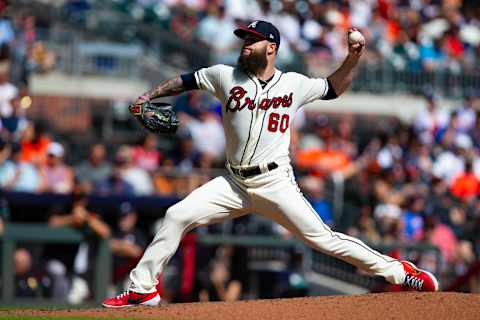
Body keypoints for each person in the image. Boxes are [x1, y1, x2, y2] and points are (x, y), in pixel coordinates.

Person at [103, 20, 439, 308]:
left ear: (271, 47)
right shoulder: (224, 75)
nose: (245, 45)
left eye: (252, 40)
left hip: (275, 182)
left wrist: (353, 57)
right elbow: (185, 81)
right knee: (177, 215)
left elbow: (333, 88)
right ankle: (143, 290)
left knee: (324, 239)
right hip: (233, 182)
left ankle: (402, 273)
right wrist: (149, 96)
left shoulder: (293, 84)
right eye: (244, 40)